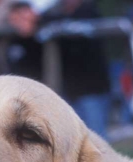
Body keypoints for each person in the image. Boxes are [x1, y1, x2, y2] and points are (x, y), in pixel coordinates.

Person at [8, 0, 111, 139]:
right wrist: (31, 21)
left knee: (97, 140)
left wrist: (36, 21)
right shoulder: (54, 13)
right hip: (69, 89)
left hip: (92, 88)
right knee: (73, 141)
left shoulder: (89, 12)